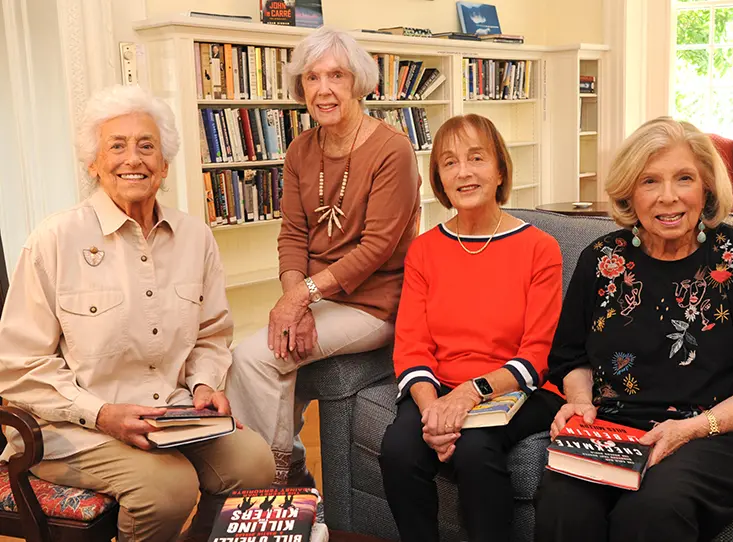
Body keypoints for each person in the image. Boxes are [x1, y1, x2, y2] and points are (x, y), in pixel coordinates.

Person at [0, 85, 275, 542]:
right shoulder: (55, 239)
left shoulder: (195, 237)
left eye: (147, 146)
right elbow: (19, 365)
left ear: (164, 165)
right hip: (74, 427)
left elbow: (210, 333)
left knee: (254, 462)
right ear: (93, 163)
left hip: (170, 414)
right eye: (117, 146)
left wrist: (205, 383)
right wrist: (102, 413)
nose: (134, 159)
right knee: (167, 489)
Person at [535, 117, 733, 542]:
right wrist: (581, 404)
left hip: (722, 433)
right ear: (629, 193)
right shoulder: (602, 260)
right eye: (650, 181)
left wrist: (693, 429)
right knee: (564, 506)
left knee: (651, 509)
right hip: (616, 430)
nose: (668, 197)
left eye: (684, 178)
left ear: (707, 188)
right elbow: (573, 357)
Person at [226, 27, 421, 486]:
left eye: (336, 75)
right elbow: (292, 234)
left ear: (357, 82)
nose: (324, 89)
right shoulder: (300, 149)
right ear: (301, 89)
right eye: (312, 78)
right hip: (321, 297)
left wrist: (302, 298)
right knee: (264, 355)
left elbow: (377, 247)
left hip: (375, 303)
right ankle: (292, 471)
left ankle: (269, 480)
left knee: (253, 358)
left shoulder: (392, 149)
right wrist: (298, 300)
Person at [379, 114, 565, 542]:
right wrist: (433, 414)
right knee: (400, 450)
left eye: (476, 158)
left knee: (475, 451)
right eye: (449, 162)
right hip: (439, 386)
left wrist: (465, 396)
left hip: (517, 388)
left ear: (499, 169)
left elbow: (537, 355)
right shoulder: (425, 251)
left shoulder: (540, 248)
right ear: (439, 181)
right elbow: (411, 347)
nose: (463, 172)